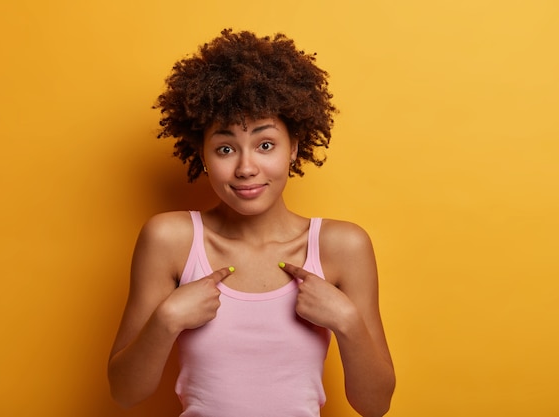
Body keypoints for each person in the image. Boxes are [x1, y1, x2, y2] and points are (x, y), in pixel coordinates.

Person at [108, 29, 395, 417]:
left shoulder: (342, 246)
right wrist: (167, 319)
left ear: (293, 146)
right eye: (225, 148)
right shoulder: (170, 239)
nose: (246, 168)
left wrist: (346, 321)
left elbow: (375, 406)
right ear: (203, 154)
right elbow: (125, 392)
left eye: (265, 145)